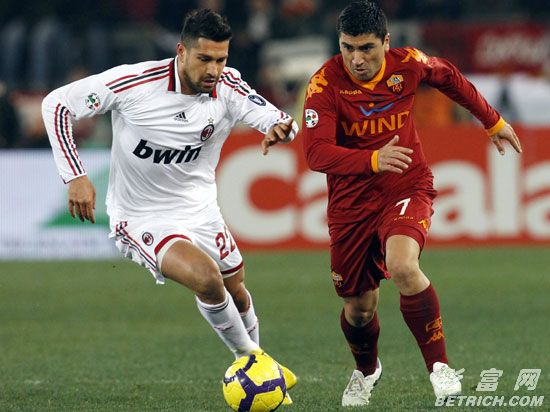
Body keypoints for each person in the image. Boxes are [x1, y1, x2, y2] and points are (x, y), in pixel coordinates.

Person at [41, 8, 298, 403]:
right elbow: (57, 104)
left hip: (201, 210)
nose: (214, 70)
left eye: (221, 59)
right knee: (207, 279)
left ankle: (260, 366)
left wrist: (280, 128)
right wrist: (75, 175)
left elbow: (273, 117)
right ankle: (255, 362)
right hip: (142, 216)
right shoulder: (135, 83)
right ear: (181, 51)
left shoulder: (228, 84)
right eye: (205, 58)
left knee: (237, 291)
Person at [301, 1, 522, 407]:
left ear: (386, 42)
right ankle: (367, 369)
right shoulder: (324, 84)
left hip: (405, 186)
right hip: (351, 204)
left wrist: (492, 121)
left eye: (366, 48)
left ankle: (440, 368)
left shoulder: (408, 65)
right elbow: (316, 154)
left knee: (403, 266)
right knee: (358, 308)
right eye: (347, 47)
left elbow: (449, 76)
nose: (356, 58)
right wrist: (372, 159)